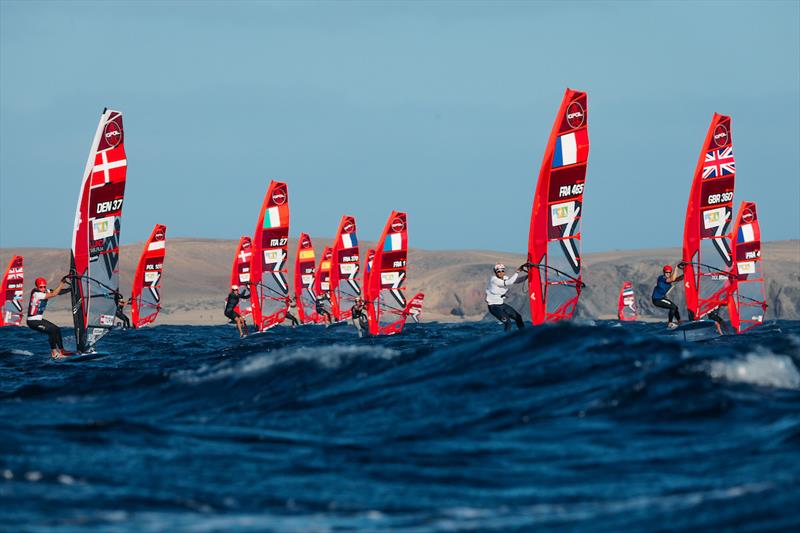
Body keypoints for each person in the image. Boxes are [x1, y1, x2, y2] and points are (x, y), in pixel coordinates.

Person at [27, 276, 71, 358]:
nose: (43, 288)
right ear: (37, 287)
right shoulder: (37, 294)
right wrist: (62, 283)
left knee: (57, 329)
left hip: (38, 319)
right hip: (32, 322)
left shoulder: (45, 291)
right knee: (52, 330)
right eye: (41, 287)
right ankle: (54, 353)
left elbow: (58, 292)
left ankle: (62, 350)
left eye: (44, 287)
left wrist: (71, 289)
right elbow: (54, 294)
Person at [485, 263, 527, 331]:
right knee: (508, 323)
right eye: (498, 271)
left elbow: (516, 281)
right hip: (493, 307)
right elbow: (509, 282)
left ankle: (523, 334)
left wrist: (528, 276)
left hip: (501, 305)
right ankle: (506, 340)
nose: (501, 272)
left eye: (502, 270)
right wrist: (517, 272)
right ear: (495, 272)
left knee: (518, 317)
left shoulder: (505, 278)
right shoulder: (494, 280)